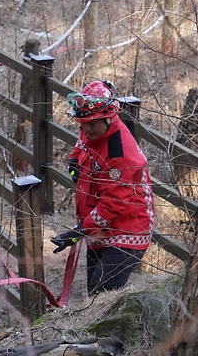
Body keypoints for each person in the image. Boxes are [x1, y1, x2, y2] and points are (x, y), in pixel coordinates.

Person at [51, 80, 154, 295]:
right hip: (100, 228)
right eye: (82, 123)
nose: (86, 128)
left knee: (102, 289)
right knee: (93, 288)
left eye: (91, 123)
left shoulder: (120, 154)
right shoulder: (93, 129)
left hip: (129, 228)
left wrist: (78, 232)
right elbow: (82, 142)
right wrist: (73, 162)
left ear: (108, 117)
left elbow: (113, 204)